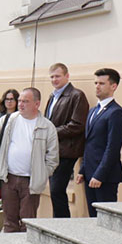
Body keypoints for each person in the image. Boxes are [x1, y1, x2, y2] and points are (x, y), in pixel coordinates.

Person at [0, 87, 59, 232]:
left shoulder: (47, 127)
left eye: (26, 101)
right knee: (9, 221)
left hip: (31, 181)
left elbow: (53, 158)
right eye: (20, 101)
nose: (21, 104)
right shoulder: (8, 120)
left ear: (37, 104)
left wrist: (42, 174)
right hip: (8, 178)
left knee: (27, 223)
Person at [76, 68, 122, 217]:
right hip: (90, 173)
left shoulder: (116, 113)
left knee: (106, 218)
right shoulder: (93, 111)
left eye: (102, 83)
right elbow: (89, 143)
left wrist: (100, 175)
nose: (97, 86)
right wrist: (83, 170)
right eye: (96, 83)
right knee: (93, 217)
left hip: (105, 176)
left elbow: (113, 147)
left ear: (113, 86)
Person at [45, 63, 89, 218]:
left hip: (67, 151)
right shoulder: (52, 96)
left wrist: (50, 133)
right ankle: (58, 223)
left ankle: (62, 225)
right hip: (53, 150)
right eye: (52, 77)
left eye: (57, 76)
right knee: (54, 191)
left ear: (67, 76)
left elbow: (77, 125)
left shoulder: (77, 95)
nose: (54, 80)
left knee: (57, 190)